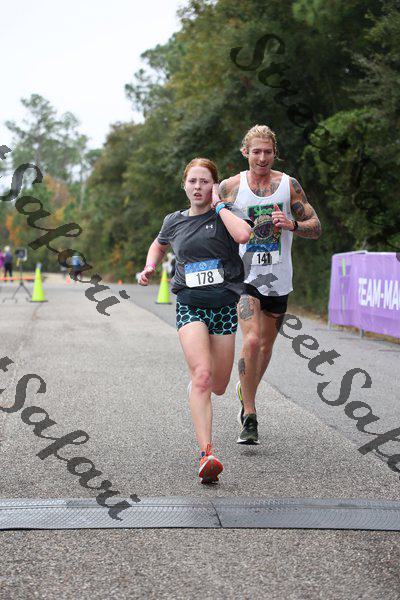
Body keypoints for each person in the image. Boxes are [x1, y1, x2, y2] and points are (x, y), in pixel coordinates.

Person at [138, 158, 252, 483]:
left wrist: (219, 206)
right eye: (193, 181)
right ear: (184, 185)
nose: (198, 187)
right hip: (190, 304)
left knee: (219, 385)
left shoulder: (226, 212)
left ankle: (212, 387)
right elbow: (158, 245)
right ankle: (207, 454)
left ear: (213, 185)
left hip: (224, 306)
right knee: (202, 376)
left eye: (205, 181)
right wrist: (150, 266)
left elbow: (243, 235)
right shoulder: (173, 220)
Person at [219, 125, 322, 445]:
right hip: (245, 279)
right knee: (250, 341)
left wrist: (291, 224)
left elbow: (316, 227)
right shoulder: (230, 187)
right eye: (256, 151)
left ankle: (246, 389)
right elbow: (212, 224)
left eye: (267, 152)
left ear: (275, 153)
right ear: (245, 152)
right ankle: (249, 414)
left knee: (265, 347)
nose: (262, 158)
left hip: (279, 278)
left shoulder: (288, 185)